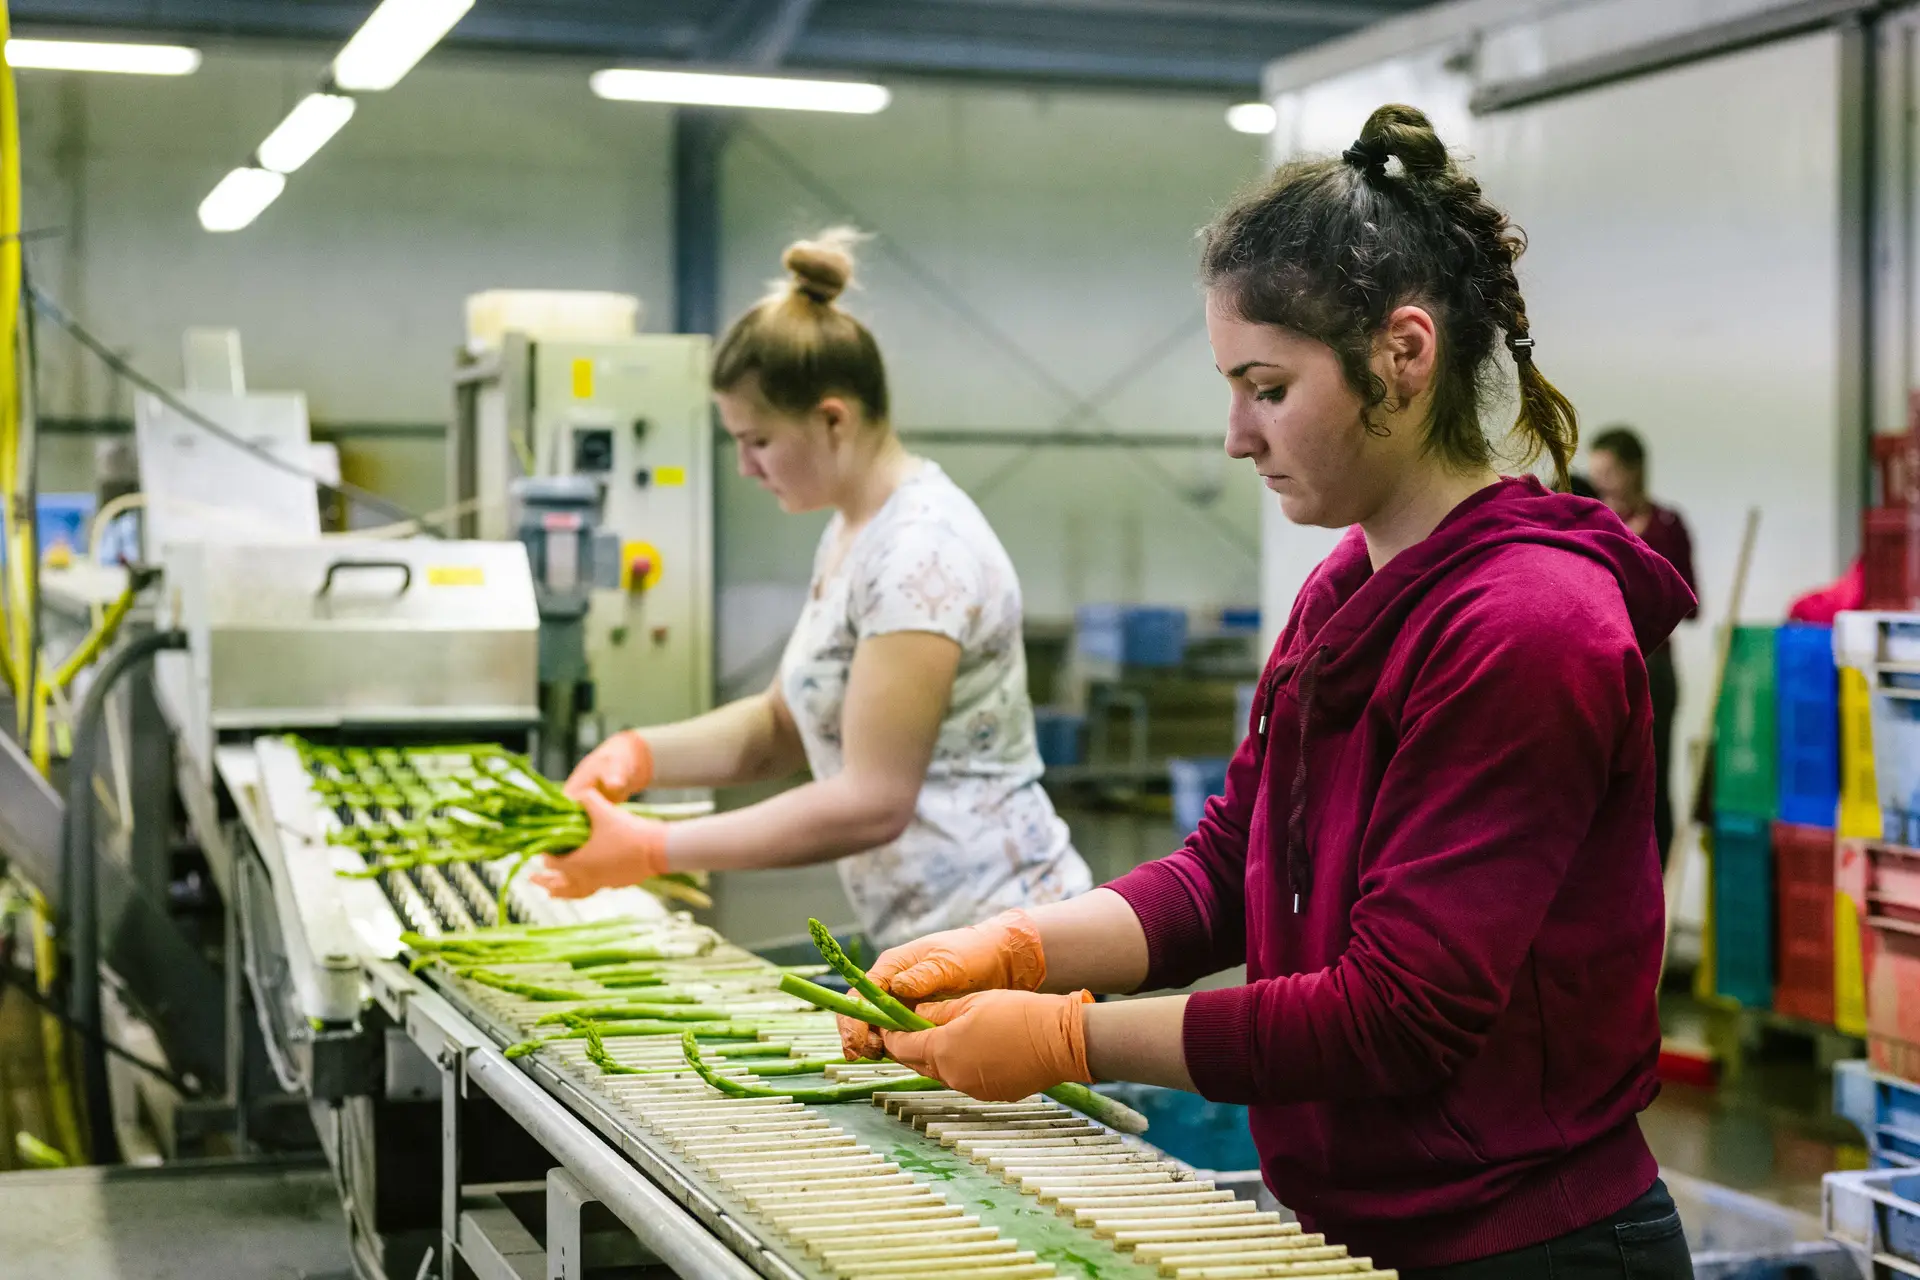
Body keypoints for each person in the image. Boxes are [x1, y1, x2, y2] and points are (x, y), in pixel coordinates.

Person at [839, 106, 1697, 1277]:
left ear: (1404, 352)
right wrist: (1017, 946)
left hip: (1525, 1242)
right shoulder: (1349, 591)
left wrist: (1070, 1037)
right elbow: (1224, 874)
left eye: (1268, 386)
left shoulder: (1526, 627)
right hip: (1367, 1224)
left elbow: (1399, 1011)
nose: (1236, 436)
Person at [532, 230, 1092, 948]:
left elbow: (871, 803)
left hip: (1005, 939)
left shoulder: (922, 552)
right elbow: (783, 726)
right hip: (929, 937)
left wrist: (651, 848)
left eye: (757, 440)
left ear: (833, 419)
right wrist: (639, 753)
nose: (745, 467)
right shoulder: (852, 533)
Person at [1587, 426, 1699, 868]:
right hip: (1599, 664)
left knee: (1651, 782)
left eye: (1609, 473)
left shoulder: (1666, 526)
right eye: (1596, 475)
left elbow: (1691, 604)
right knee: (1600, 784)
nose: (1601, 485)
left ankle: (1660, 889)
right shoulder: (1590, 521)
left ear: (1634, 471)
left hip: (1652, 666)